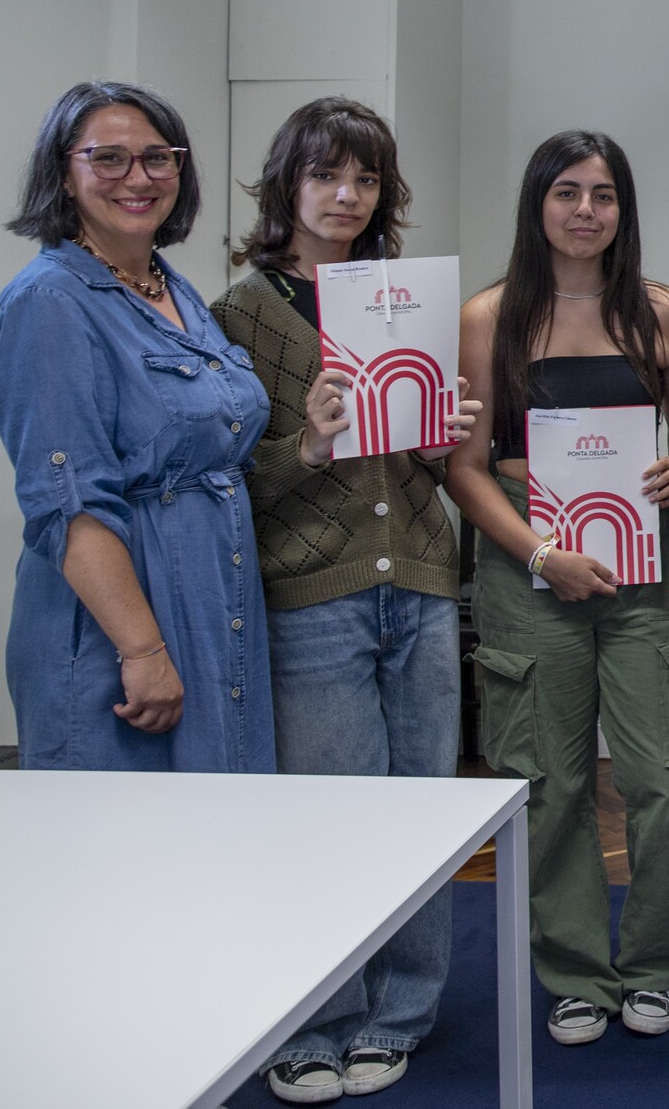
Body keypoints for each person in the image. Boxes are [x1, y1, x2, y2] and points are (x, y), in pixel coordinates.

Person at [213, 97, 482, 1103]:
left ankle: (400, 1012)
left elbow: (426, 463)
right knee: (328, 817)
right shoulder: (239, 313)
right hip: (310, 592)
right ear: (287, 182)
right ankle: (315, 1021)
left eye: (366, 178)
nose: (346, 195)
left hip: (418, 579)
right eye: (326, 174)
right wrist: (310, 443)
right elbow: (225, 477)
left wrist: (441, 437)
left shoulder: (405, 299)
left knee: (419, 812)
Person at [446, 132, 669, 1051]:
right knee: (548, 783)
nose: (585, 211)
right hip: (531, 564)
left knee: (664, 778)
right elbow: (463, 468)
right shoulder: (489, 316)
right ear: (538, 203)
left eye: (603, 194)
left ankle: (656, 966)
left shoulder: (664, 312)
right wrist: (539, 554)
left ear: (623, 209)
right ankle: (575, 975)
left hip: (640, 564)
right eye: (566, 192)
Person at [0, 81, 274, 773]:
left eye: (157, 158)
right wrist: (142, 650)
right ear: (63, 173)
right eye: (108, 158)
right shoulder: (48, 301)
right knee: (120, 832)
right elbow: (69, 504)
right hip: (117, 631)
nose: (138, 178)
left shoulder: (173, 289)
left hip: (213, 606)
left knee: (219, 825)